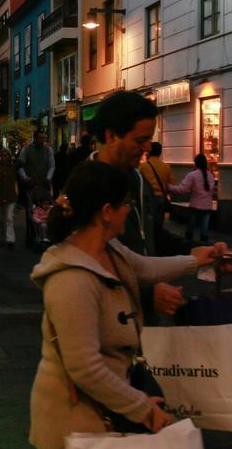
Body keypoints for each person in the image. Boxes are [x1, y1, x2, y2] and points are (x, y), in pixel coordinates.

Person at [3, 160, 229, 449]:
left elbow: (145, 267)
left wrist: (199, 258)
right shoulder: (71, 279)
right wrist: (143, 409)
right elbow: (85, 367)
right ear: (105, 212)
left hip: (103, 409)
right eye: (125, 203)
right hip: (76, 416)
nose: (130, 210)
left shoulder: (109, 249)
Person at [88, 91, 184, 326]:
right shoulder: (86, 186)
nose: (148, 147)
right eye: (140, 140)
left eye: (149, 139)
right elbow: (88, 264)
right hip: (108, 327)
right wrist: (147, 293)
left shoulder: (139, 181)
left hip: (146, 323)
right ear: (111, 136)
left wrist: (205, 253)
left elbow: (154, 235)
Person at [170, 153, 216, 243]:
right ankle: (204, 245)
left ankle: (189, 245)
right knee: (204, 228)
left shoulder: (192, 175)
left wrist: (169, 187)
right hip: (207, 206)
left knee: (190, 227)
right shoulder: (210, 176)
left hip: (195, 205)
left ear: (195, 163)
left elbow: (182, 189)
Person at [0, 146, 19, 248]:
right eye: (2, 155)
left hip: (10, 195)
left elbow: (22, 163)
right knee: (0, 219)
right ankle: (1, 237)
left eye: (6, 155)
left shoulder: (13, 167)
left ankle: (10, 239)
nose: (4, 157)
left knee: (9, 218)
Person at [139, 141, 174, 219]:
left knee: (148, 221)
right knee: (159, 221)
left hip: (147, 198)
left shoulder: (142, 167)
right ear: (160, 153)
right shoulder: (166, 167)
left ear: (149, 152)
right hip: (161, 198)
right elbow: (172, 184)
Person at [17, 129, 55, 194]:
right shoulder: (26, 149)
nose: (43, 140)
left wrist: (48, 178)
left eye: (44, 138)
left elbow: (52, 166)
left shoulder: (48, 149)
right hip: (31, 181)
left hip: (43, 181)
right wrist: (25, 178)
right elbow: (20, 166)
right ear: (35, 138)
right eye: (40, 138)